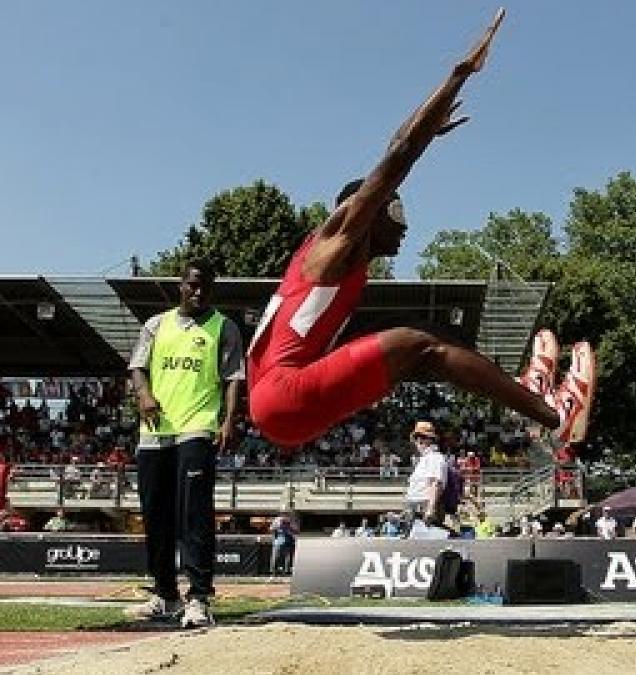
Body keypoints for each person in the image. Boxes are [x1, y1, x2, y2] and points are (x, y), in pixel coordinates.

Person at [245, 11, 594, 456]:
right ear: (367, 211)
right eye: (396, 209)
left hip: (280, 407)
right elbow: (399, 152)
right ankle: (554, 414)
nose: (406, 223)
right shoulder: (337, 238)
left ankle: (529, 394)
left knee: (428, 344)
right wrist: (458, 76)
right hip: (282, 396)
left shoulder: (335, 259)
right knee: (418, 342)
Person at [125, 261, 244, 628]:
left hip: (197, 427)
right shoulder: (156, 324)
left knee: (194, 513)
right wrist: (143, 395)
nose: (198, 291)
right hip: (155, 430)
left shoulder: (224, 327)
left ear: (213, 289)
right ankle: (165, 595)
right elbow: (137, 366)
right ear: (180, 286)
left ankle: (199, 597)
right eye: (192, 285)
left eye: (205, 286)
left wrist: (227, 420)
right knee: (155, 514)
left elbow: (233, 378)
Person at [405, 420, 448, 527]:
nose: (418, 441)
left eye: (422, 437)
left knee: (427, 541)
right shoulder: (423, 459)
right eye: (417, 438)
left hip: (425, 508)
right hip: (416, 508)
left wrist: (430, 509)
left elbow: (435, 483)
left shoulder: (434, 457)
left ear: (430, 440)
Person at [269, 512, 297, 577]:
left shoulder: (291, 520)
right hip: (278, 541)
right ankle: (273, 573)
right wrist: (278, 526)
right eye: (283, 514)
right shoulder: (277, 520)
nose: (284, 515)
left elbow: (296, 530)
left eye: (286, 514)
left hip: (288, 541)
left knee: (288, 558)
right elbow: (271, 529)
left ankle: (286, 573)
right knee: (275, 557)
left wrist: (289, 528)